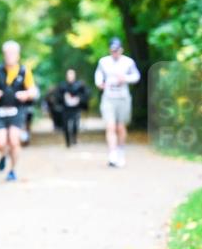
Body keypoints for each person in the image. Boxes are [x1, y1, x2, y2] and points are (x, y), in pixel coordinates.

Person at [0, 41, 39, 182]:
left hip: (17, 110)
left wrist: (26, 95)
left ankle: (12, 170)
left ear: (18, 55)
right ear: (4, 55)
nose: (10, 56)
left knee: (14, 141)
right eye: (7, 53)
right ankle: (3, 154)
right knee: (1, 143)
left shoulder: (24, 71)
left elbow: (33, 90)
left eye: (13, 53)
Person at [94, 37, 140, 167]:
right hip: (109, 97)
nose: (115, 52)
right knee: (110, 126)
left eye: (117, 50)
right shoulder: (103, 62)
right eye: (113, 50)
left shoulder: (128, 62)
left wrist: (125, 78)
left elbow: (136, 76)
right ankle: (112, 154)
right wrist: (100, 83)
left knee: (120, 127)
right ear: (110, 50)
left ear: (121, 49)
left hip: (123, 97)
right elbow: (98, 75)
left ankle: (120, 150)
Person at [57, 68, 88, 147]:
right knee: (65, 126)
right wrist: (64, 98)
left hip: (76, 109)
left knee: (75, 125)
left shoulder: (79, 85)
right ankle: (67, 142)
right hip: (65, 109)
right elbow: (57, 97)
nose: (70, 77)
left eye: (72, 75)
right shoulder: (62, 85)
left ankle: (74, 139)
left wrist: (78, 99)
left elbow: (86, 95)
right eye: (69, 75)